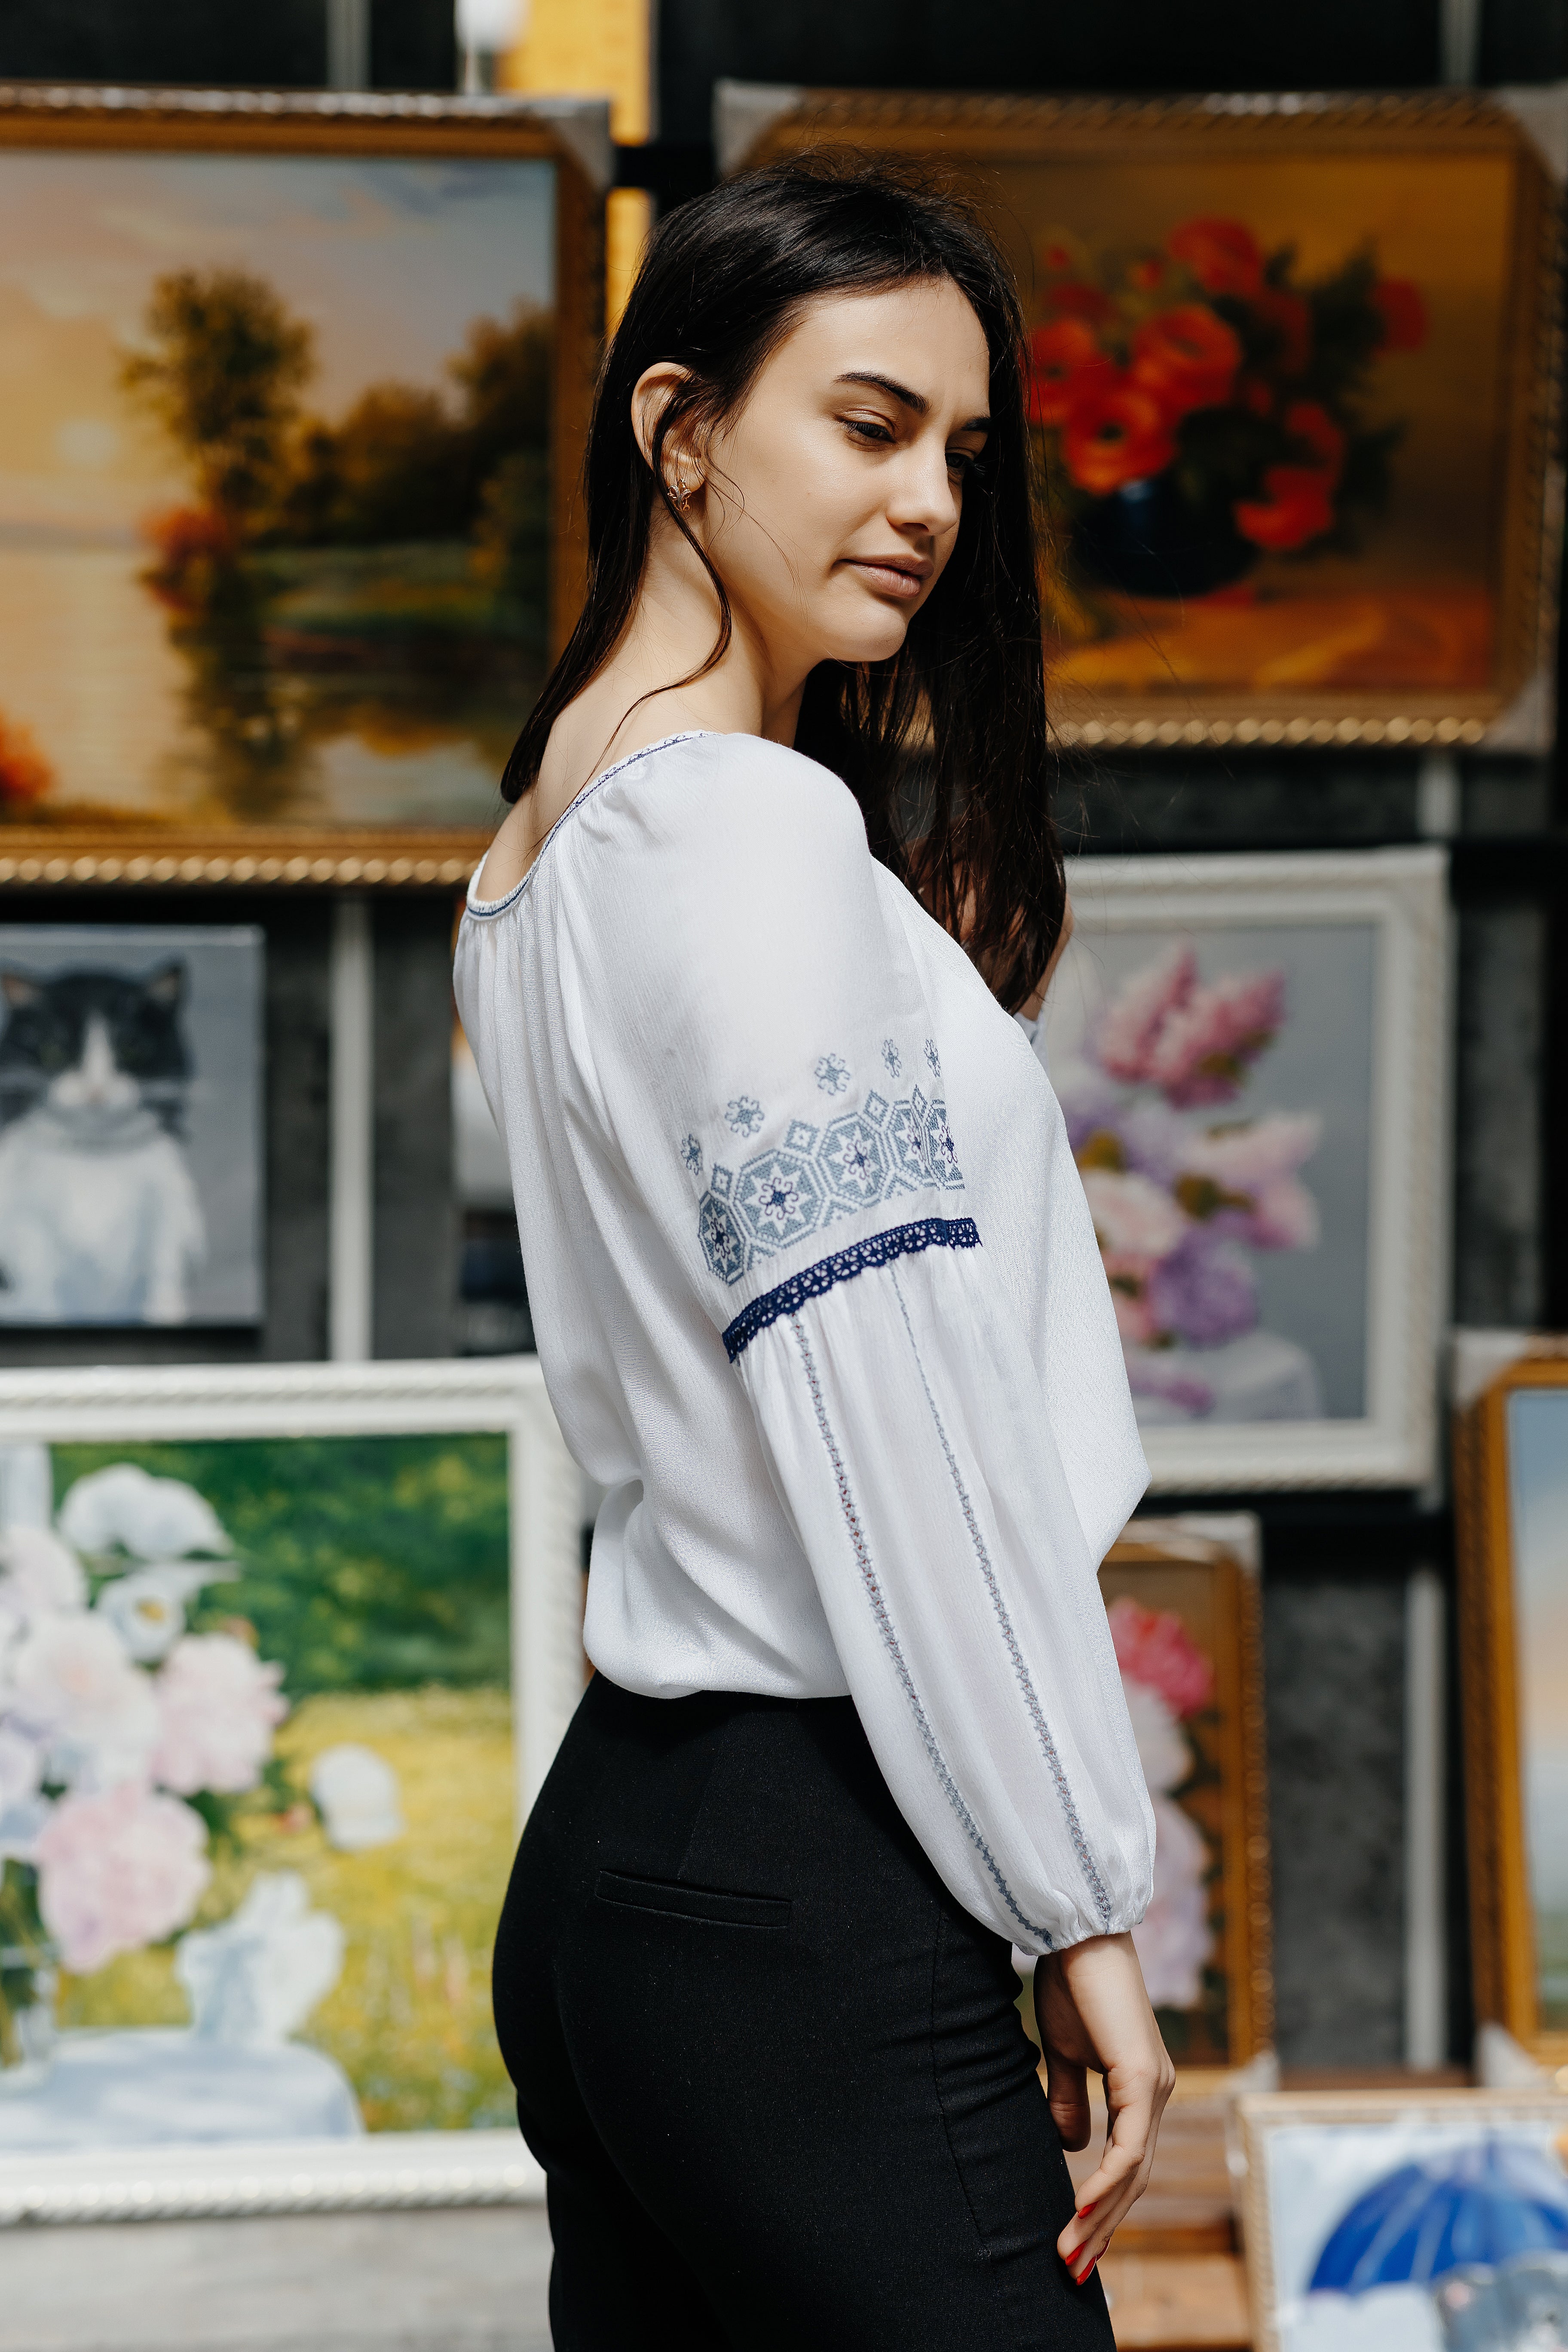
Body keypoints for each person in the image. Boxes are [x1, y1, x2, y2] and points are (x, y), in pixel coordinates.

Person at [455, 155, 1173, 2352]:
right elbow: (894, 1425)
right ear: (681, 430)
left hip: (649, 1856)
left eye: (965, 451)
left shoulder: (553, 831)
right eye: (869, 424)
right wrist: (1077, 1902)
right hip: (804, 1877)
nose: (932, 501)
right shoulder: (739, 826)